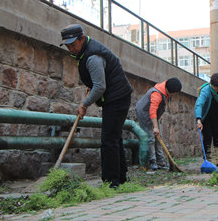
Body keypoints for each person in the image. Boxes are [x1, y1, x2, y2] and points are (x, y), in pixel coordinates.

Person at [60, 24, 133, 188]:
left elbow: (100, 86)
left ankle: (110, 182)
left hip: (117, 98)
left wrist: (84, 104)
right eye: (68, 46)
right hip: (116, 96)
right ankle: (120, 178)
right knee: (114, 137)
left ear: (81, 39)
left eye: (73, 44)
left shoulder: (92, 56)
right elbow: (99, 81)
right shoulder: (87, 51)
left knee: (108, 140)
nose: (71, 49)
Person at [135, 78, 182, 170]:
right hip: (144, 113)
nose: (174, 95)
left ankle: (160, 161)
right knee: (151, 138)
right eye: (174, 93)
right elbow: (152, 110)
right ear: (170, 91)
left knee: (158, 137)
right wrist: (155, 127)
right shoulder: (157, 94)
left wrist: (157, 128)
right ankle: (152, 162)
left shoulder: (165, 89)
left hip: (153, 115)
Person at [194, 72, 218, 168]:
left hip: (214, 116)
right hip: (205, 117)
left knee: (217, 137)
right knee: (208, 138)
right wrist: (199, 120)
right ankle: (207, 160)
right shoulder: (205, 91)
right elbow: (199, 105)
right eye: (217, 87)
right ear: (212, 84)